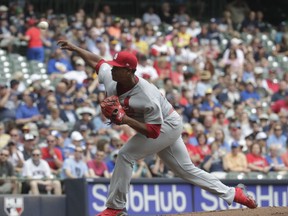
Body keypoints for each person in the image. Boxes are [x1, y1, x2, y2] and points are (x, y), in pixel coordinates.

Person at [57, 40, 257, 215]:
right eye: (114, 65)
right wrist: (75, 49)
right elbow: (98, 62)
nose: (112, 69)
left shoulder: (146, 95)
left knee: (126, 154)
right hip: (163, 124)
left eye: (117, 67)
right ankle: (235, 194)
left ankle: (116, 207)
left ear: (129, 71)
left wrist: (126, 120)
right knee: (187, 171)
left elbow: (153, 132)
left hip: (166, 125)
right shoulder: (112, 75)